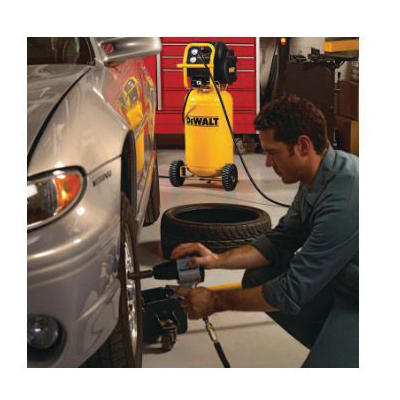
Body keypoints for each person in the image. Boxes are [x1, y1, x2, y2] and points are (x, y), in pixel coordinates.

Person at [171, 94, 359, 368]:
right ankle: (336, 345)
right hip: (344, 284)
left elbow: (290, 292)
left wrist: (215, 300)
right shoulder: (317, 177)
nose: (268, 162)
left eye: (273, 152)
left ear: (302, 146)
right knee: (259, 276)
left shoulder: (345, 198)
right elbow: (278, 242)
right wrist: (216, 260)